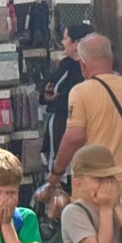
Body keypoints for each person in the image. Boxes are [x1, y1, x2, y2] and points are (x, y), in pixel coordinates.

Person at [45, 33, 122, 220]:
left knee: (97, 239)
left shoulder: (80, 92)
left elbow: (75, 137)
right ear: (111, 58)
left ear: (83, 63)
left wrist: (56, 172)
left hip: (93, 190)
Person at [42, 22, 90, 163]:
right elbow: (49, 85)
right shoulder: (65, 64)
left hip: (71, 124)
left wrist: (55, 100)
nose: (62, 42)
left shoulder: (84, 70)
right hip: (59, 123)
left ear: (76, 44)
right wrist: (46, 95)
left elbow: (69, 96)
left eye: (65, 38)